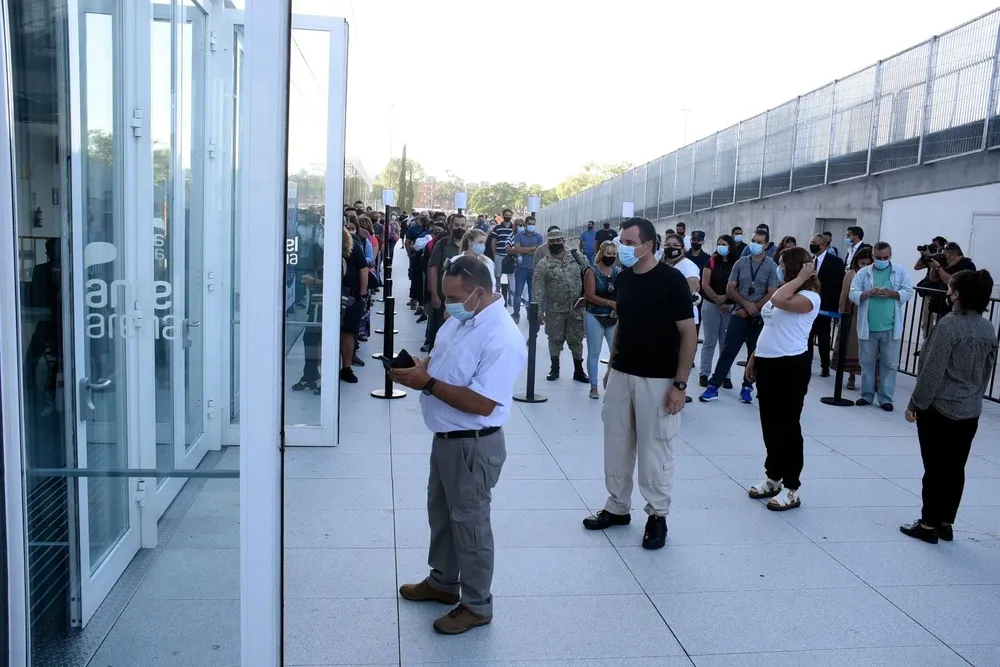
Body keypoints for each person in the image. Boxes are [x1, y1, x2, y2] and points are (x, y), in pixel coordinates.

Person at [393, 256, 527, 635]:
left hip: (473, 447)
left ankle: (476, 604)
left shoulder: (501, 336)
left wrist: (427, 385)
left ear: (479, 292)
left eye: (454, 296)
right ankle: (443, 582)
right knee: (443, 516)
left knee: (470, 526)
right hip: (447, 440)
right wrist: (418, 366)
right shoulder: (462, 319)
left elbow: (484, 402)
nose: (447, 302)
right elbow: (441, 362)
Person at [582, 217, 697, 551]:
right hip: (622, 373)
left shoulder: (672, 281)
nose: (623, 248)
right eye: (622, 241)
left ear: (648, 245)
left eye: (630, 242)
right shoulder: (625, 279)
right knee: (616, 442)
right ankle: (617, 506)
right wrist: (612, 364)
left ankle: (657, 515)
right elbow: (623, 322)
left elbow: (688, 333)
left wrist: (680, 383)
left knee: (655, 449)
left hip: (659, 378)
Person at [901, 269, 998, 544]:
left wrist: (915, 403)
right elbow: (986, 370)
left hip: (940, 408)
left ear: (957, 294)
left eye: (951, 288)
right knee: (956, 467)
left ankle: (928, 524)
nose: (947, 293)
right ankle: (945, 521)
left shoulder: (948, 326)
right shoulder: (986, 327)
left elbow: (931, 370)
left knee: (935, 467)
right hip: (970, 409)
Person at [743, 247, 821, 511]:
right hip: (767, 362)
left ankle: (791, 487)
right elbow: (771, 325)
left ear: (796, 268)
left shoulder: (809, 296)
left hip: (790, 366)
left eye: (781, 264)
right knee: (769, 424)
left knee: (787, 427)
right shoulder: (783, 291)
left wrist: (800, 279)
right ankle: (773, 477)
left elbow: (777, 302)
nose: (777, 267)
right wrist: (755, 355)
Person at [700, 229, 779, 404]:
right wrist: (744, 304)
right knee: (728, 351)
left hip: (757, 317)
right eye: (753, 241)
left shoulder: (771, 266)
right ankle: (714, 386)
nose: (755, 245)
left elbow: (772, 292)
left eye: (759, 242)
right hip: (738, 314)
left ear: (766, 245)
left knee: (754, 354)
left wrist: (753, 307)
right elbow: (730, 289)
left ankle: (747, 387)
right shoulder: (740, 263)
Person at [849, 241, 913, 411]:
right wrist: (866, 293)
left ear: (890, 256)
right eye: (878, 257)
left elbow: (908, 291)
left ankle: (886, 398)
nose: (882, 260)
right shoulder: (863, 273)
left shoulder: (899, 271)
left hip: (891, 327)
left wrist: (892, 293)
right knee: (867, 363)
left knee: (890, 364)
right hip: (868, 326)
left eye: (885, 257)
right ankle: (867, 395)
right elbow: (852, 292)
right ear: (873, 256)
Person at [533, 228, 588, 383]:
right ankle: (554, 369)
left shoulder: (577, 257)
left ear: (563, 241)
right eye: (552, 241)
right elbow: (538, 289)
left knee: (576, 340)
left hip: (576, 308)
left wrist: (588, 296)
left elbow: (590, 274)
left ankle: (579, 370)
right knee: (555, 339)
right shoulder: (543, 265)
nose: (556, 243)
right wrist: (538, 311)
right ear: (548, 243)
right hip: (555, 310)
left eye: (558, 240)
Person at [583, 241, 620, 399]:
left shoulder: (617, 272)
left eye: (613, 254)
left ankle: (611, 384)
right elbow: (589, 295)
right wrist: (609, 303)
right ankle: (593, 386)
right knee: (594, 352)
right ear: (601, 253)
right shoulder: (592, 271)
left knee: (615, 352)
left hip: (613, 317)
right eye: (608, 254)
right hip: (595, 315)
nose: (610, 257)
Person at [699, 235, 737, 388]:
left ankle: (724, 375)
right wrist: (717, 299)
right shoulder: (712, 261)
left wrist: (727, 299)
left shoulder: (738, 263)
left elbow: (739, 284)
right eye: (719, 243)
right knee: (709, 341)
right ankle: (704, 373)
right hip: (711, 304)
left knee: (725, 342)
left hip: (730, 306)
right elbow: (705, 284)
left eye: (724, 244)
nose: (721, 246)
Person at [425, 215, 468, 351]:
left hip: (464, 300)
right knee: (438, 332)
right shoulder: (442, 244)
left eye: (462, 225)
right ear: (450, 226)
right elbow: (433, 268)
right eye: (456, 225)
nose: (459, 228)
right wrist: (434, 294)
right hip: (443, 297)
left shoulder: (469, 246)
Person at [832, 247, 872, 390]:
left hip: (870, 313)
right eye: (862, 263)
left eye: (868, 263)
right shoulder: (851, 274)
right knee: (851, 345)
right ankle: (851, 376)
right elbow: (843, 295)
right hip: (853, 312)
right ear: (857, 262)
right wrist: (842, 314)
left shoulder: (874, 275)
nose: (865, 266)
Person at [808, 233, 845, 377]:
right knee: (808, 336)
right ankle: (808, 363)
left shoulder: (835, 262)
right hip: (809, 305)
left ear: (823, 245)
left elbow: (838, 285)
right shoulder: (811, 261)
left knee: (823, 337)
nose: (812, 245)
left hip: (825, 307)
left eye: (814, 243)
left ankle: (825, 366)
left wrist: (835, 306)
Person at [510, 217, 543, 323]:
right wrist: (532, 248)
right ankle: (516, 314)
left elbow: (539, 252)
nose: (531, 226)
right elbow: (518, 248)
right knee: (518, 293)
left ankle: (531, 315)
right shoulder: (519, 235)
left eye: (533, 224)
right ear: (525, 224)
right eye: (529, 223)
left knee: (532, 294)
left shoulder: (538, 236)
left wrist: (525, 250)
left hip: (534, 269)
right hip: (521, 269)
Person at [488, 209, 515, 305]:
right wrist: (495, 255)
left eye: (509, 215)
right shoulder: (497, 228)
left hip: (511, 257)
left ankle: (511, 300)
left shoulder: (514, 228)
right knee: (498, 277)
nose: (508, 216)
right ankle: (497, 301)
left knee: (511, 278)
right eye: (506, 215)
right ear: (503, 216)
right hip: (499, 255)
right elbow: (493, 242)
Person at [456, 228, 496, 292]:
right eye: (480, 242)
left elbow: (492, 284)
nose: (482, 245)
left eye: (484, 243)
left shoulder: (488, 262)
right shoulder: (456, 260)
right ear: (470, 242)